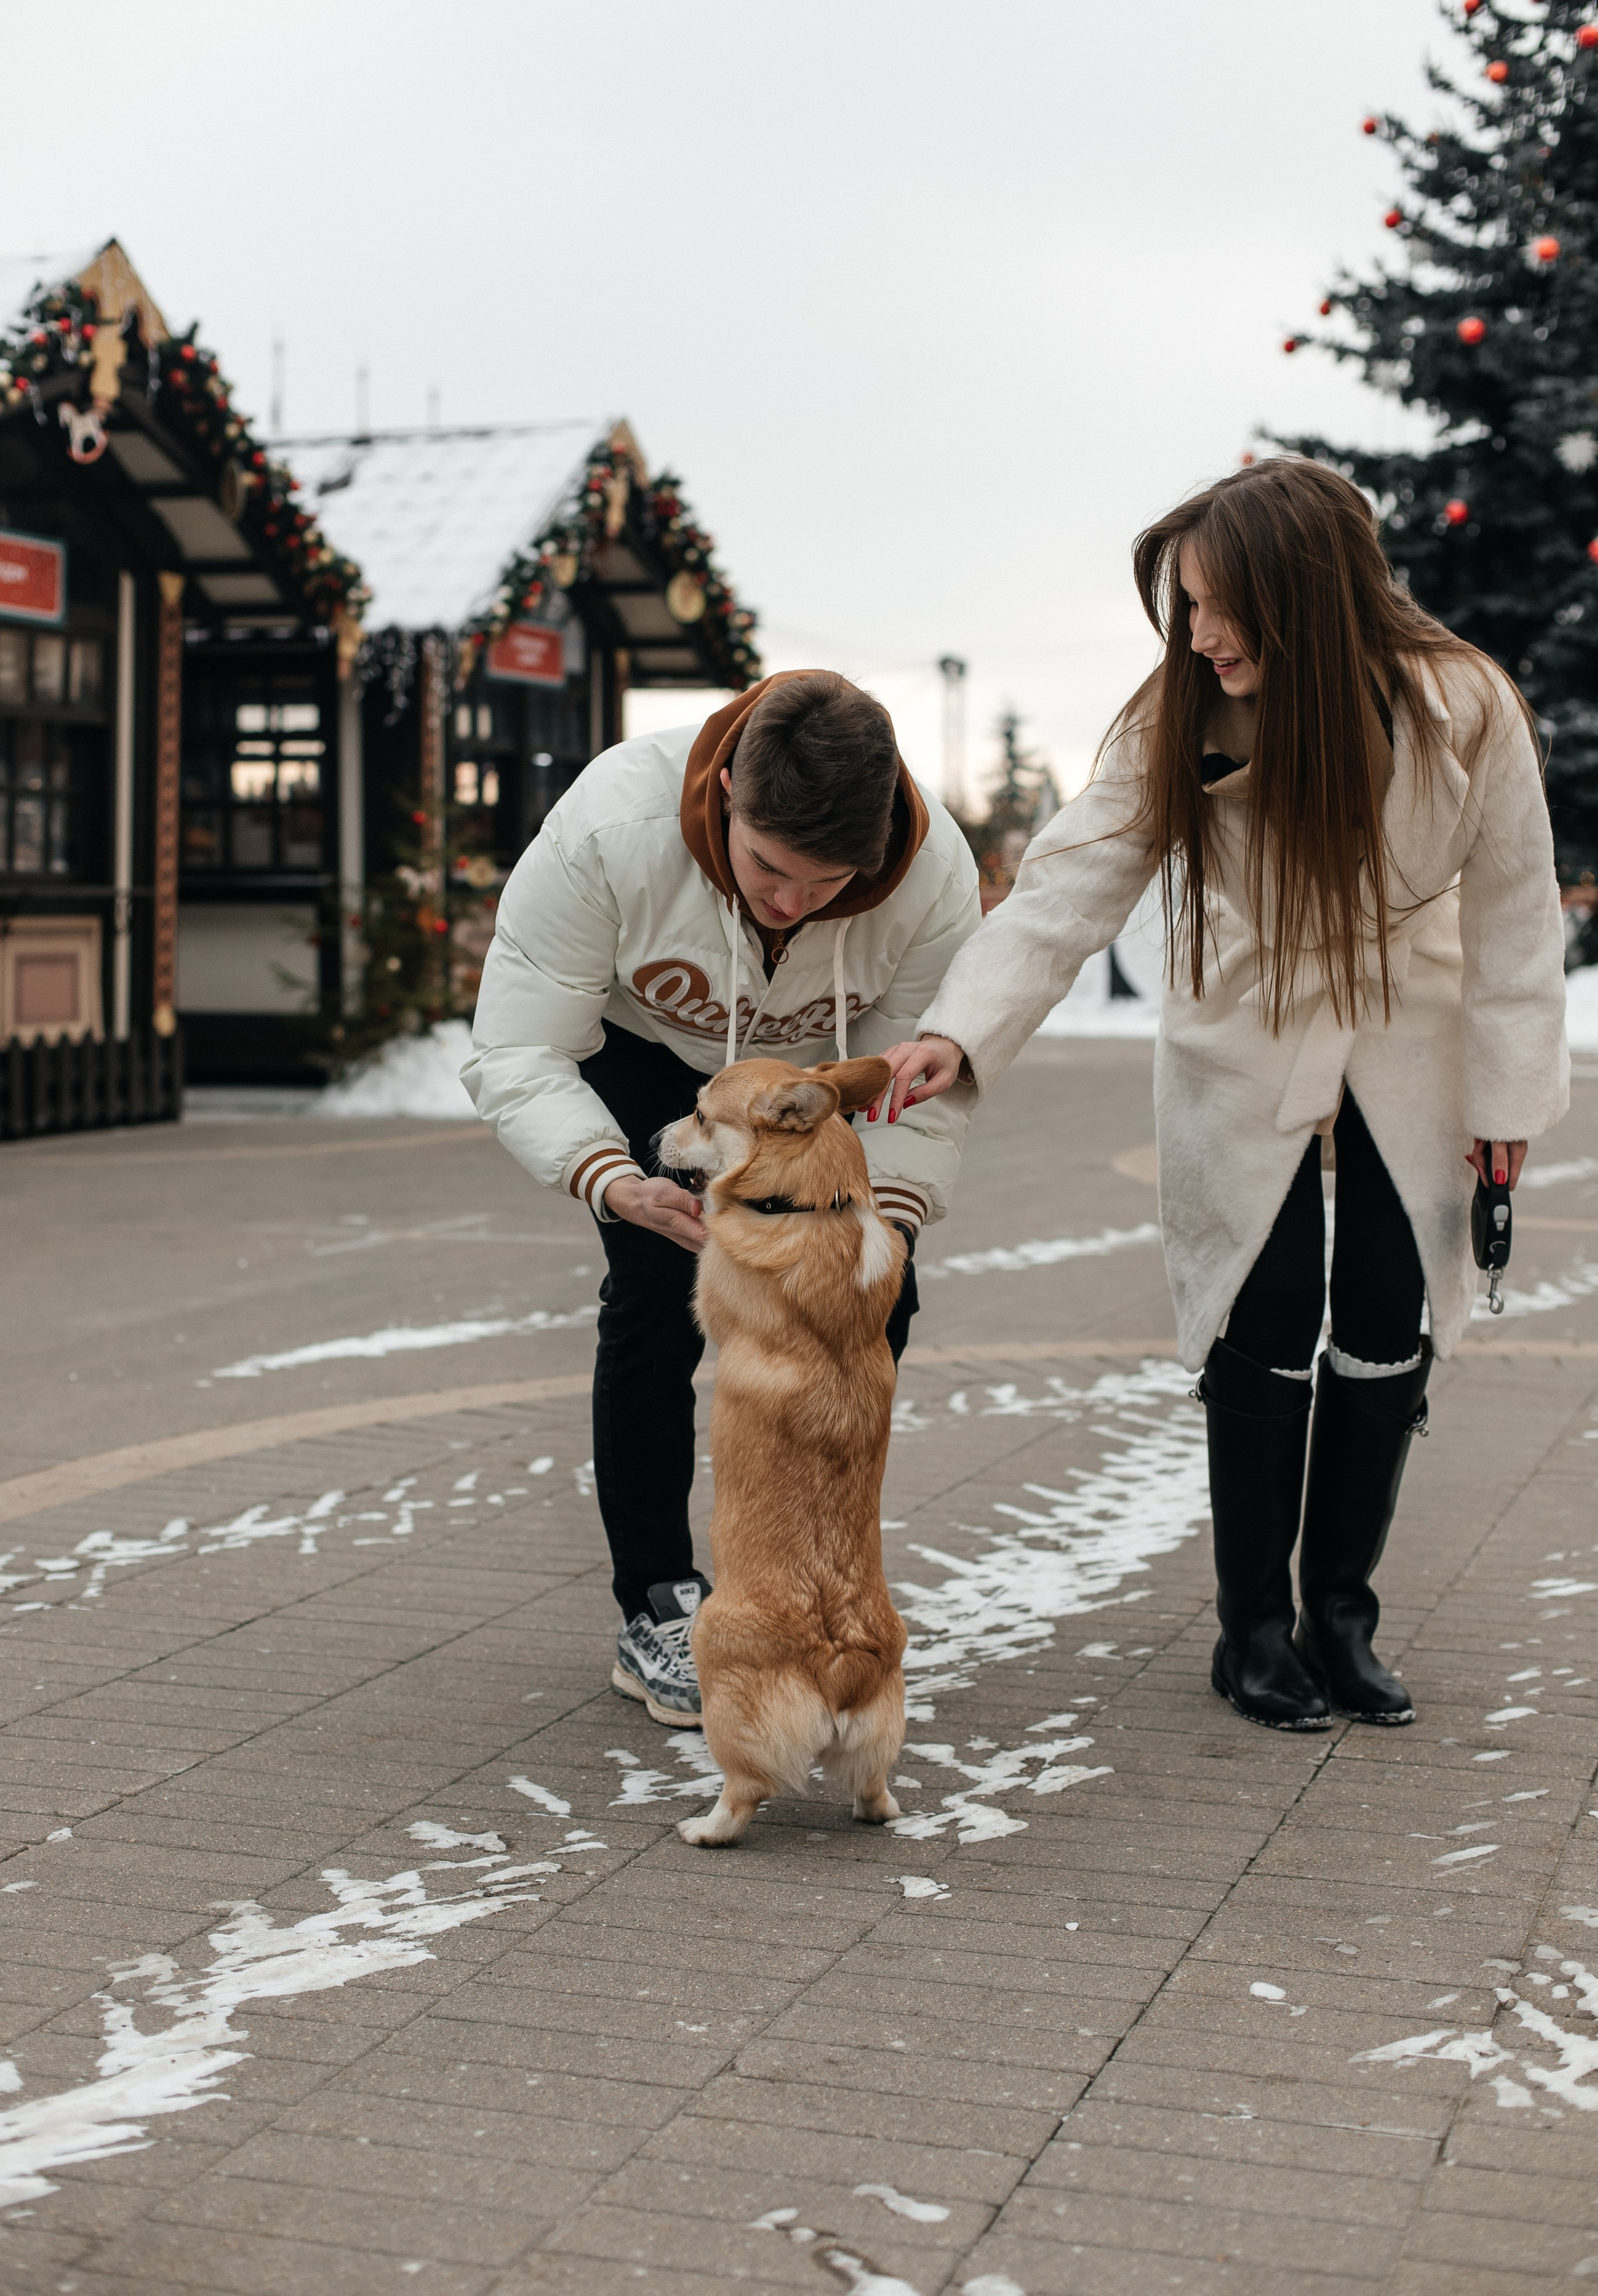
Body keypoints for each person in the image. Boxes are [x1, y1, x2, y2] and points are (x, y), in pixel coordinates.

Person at [878, 456, 1569, 1734]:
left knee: (1380, 1321)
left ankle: (1338, 1619)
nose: (1192, 634)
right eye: (1181, 605)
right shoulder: (1174, 713)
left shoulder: (1461, 706)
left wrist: (1506, 1104)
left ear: (1300, 595)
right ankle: (1249, 1630)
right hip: (1239, 1019)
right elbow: (1068, 884)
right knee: (1256, 1321)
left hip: (1405, 1025)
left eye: (1213, 605)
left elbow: (1520, 918)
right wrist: (957, 1031)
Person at [464, 668, 979, 1726]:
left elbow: (919, 1078)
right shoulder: (613, 827)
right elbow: (519, 1045)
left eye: (827, 884)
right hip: (650, 1060)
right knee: (660, 1291)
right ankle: (656, 1599)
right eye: (769, 869)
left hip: (813, 1080)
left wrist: (894, 1218)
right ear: (730, 796)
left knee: (876, 1305)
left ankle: (807, 1580)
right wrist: (610, 1178)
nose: (790, 903)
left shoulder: (932, 878)